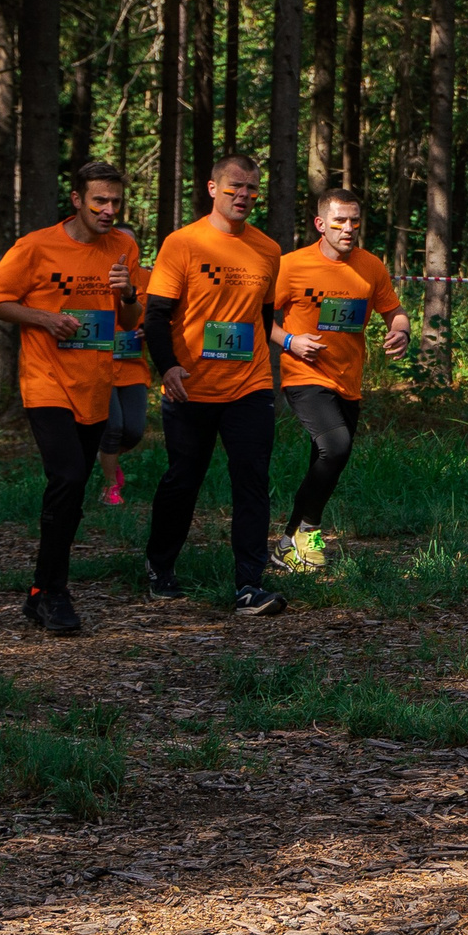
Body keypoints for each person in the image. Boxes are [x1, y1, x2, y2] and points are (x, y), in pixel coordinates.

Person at [0, 159, 143, 635]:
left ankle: (40, 589)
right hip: (46, 381)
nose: (109, 210)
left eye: (115, 201)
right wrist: (44, 319)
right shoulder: (36, 246)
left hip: (94, 384)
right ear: (77, 200)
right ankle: (55, 594)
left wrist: (129, 292)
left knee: (70, 493)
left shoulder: (124, 246)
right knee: (67, 477)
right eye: (99, 201)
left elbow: (130, 322)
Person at [143, 153, 286, 616]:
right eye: (234, 188)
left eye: (251, 189)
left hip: (250, 384)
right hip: (190, 388)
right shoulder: (182, 244)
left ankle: (250, 585)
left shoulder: (267, 249)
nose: (243, 196)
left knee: (252, 481)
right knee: (183, 480)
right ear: (212, 188)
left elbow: (264, 315)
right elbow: (156, 315)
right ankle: (159, 566)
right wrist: (167, 367)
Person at [269, 187, 410, 574]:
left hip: (348, 378)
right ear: (320, 224)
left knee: (328, 457)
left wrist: (401, 331)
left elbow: (394, 310)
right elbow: (258, 315)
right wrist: (291, 341)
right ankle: (310, 531)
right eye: (339, 222)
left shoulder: (370, 266)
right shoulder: (292, 266)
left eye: (353, 222)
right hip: (304, 374)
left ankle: (288, 541)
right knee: (336, 446)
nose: (348, 229)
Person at [100, 216, 153, 506]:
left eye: (130, 242)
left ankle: (105, 457)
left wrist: (151, 329)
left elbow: (160, 315)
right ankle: (110, 487)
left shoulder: (148, 278)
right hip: (100, 365)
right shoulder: (96, 274)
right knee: (113, 427)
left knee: (132, 432)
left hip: (133, 365)